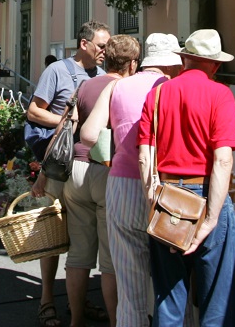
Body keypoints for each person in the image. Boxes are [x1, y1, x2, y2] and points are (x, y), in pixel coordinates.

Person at [137, 29, 235, 327]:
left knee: (168, 300)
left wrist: (153, 202)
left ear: (184, 60)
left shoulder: (157, 94)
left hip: (168, 196)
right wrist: (210, 219)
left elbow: (144, 157)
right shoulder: (221, 94)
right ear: (215, 65)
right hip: (207, 194)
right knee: (216, 303)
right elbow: (223, 160)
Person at [79, 33, 182, 327]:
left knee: (129, 287)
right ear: (172, 63)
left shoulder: (117, 86)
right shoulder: (171, 87)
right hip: (165, 186)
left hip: (122, 184)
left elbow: (88, 135)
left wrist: (118, 145)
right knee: (173, 284)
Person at [27, 20, 109, 327]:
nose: (105, 51)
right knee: (53, 234)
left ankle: (79, 300)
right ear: (84, 44)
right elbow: (34, 111)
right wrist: (67, 122)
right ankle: (46, 299)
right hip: (59, 165)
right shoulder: (57, 71)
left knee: (82, 238)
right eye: (101, 45)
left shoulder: (102, 75)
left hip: (89, 167)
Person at [64, 34, 140, 327]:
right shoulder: (126, 88)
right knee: (110, 260)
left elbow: (70, 124)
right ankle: (114, 321)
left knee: (78, 254)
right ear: (132, 64)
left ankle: (76, 320)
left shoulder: (85, 85)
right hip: (107, 171)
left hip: (77, 169)